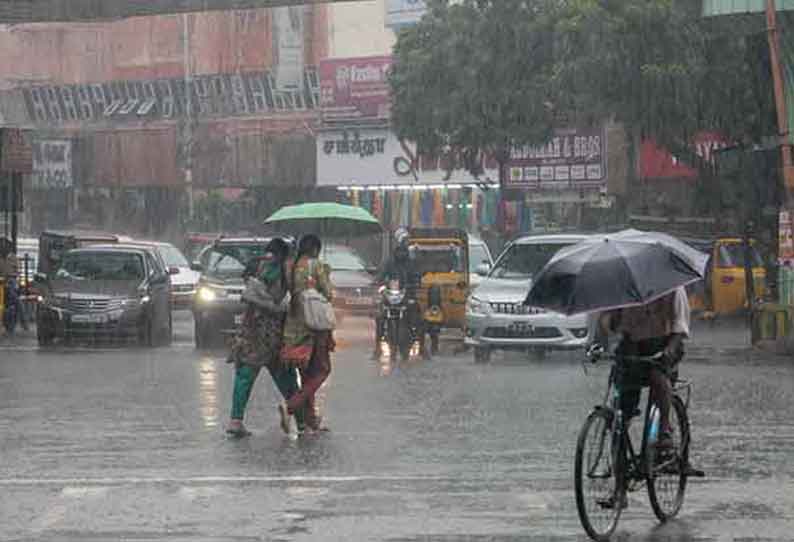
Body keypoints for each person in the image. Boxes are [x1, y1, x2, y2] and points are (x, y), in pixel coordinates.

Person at [600, 287, 690, 453]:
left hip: (665, 343)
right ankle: (621, 434)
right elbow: (610, 325)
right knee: (623, 386)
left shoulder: (674, 289)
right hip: (633, 346)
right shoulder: (624, 289)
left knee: (657, 375)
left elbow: (680, 327)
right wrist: (614, 317)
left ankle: (664, 431)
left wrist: (668, 350)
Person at [226, 238, 298, 438]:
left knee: (245, 374)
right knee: (285, 375)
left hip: (250, 330)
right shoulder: (282, 270)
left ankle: (235, 420)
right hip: (273, 332)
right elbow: (286, 299)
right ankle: (303, 419)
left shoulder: (257, 266)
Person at [280, 234, 335, 434]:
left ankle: (310, 421)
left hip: (293, 326)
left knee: (306, 373)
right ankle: (291, 406)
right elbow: (328, 294)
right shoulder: (317, 266)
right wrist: (326, 274)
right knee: (323, 370)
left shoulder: (289, 265)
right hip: (314, 326)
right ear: (315, 249)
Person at [372, 229, 422, 359]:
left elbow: (416, 275)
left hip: (407, 294)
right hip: (392, 295)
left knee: (417, 315)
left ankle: (422, 346)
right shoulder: (389, 262)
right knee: (380, 317)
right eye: (403, 242)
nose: (405, 245)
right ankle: (377, 348)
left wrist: (415, 284)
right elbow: (382, 274)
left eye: (406, 242)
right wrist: (378, 282)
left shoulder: (411, 262)